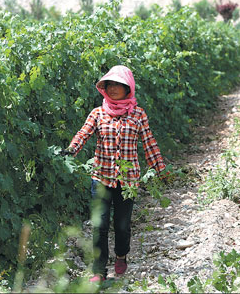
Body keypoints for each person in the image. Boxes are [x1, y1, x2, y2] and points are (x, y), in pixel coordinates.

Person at [66, 65, 166, 283]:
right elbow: (83, 133)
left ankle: (121, 254)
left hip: (128, 181)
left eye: (117, 85)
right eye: (109, 85)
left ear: (128, 88)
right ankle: (99, 271)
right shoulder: (98, 113)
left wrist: (160, 168)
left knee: (122, 224)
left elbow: (148, 143)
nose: (112, 89)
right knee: (99, 225)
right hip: (101, 178)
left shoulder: (138, 114)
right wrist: (72, 149)